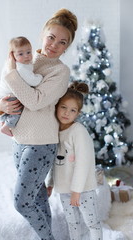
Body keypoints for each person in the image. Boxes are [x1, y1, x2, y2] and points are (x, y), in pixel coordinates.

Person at [0, 8, 78, 240]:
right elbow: (2, 89)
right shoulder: (23, 55)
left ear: (66, 47)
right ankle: (46, 234)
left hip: (41, 145)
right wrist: (0, 104)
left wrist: (12, 73)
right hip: (18, 141)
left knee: (22, 202)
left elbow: (36, 101)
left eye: (62, 42)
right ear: (43, 34)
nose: (54, 45)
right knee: (37, 197)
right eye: (51, 37)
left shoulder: (60, 71)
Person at [46, 81, 103, 240]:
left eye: (72, 110)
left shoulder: (78, 131)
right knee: (73, 223)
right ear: (57, 106)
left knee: (92, 222)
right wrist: (51, 183)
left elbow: (83, 164)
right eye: (63, 107)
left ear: (78, 113)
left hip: (83, 189)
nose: (66, 113)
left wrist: (76, 191)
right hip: (64, 189)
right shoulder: (54, 130)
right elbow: (54, 161)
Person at [0, 36, 42, 137]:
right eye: (21, 54)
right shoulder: (21, 67)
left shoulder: (11, 63)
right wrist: (40, 77)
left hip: (1, 94)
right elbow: (33, 81)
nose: (26, 56)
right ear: (12, 55)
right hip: (9, 95)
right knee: (18, 110)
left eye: (29, 52)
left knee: (11, 110)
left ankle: (3, 121)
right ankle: (7, 126)